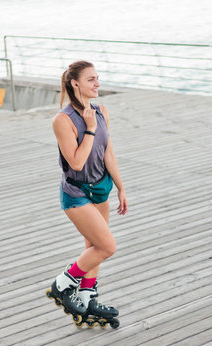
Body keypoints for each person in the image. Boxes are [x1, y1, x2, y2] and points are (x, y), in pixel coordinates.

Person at [45, 60, 127, 329]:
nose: (97, 84)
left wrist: (121, 187)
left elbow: (108, 153)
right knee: (107, 247)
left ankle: (87, 298)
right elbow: (77, 162)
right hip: (76, 193)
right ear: (75, 83)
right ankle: (61, 285)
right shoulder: (63, 120)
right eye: (91, 79)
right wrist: (89, 128)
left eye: (98, 78)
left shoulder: (102, 110)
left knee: (93, 248)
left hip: (101, 189)